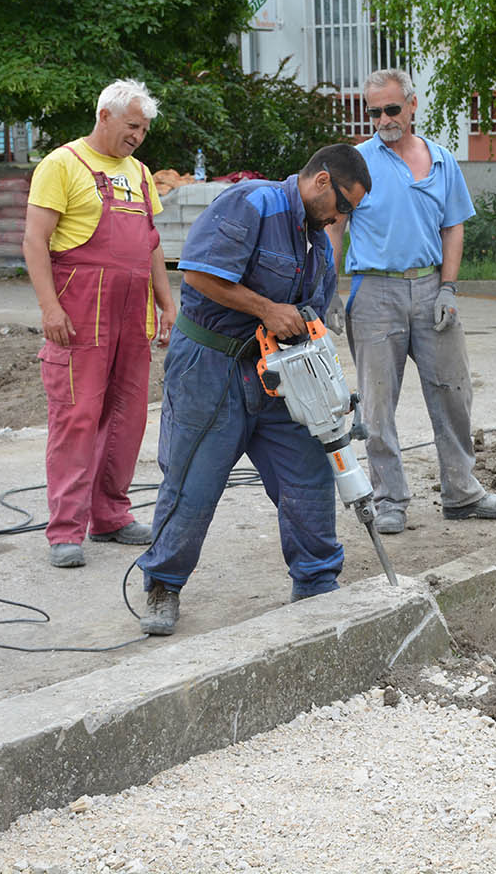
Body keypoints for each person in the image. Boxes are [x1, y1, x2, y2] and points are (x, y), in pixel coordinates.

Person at [134, 144, 371, 635]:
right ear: (322, 182)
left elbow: (311, 313)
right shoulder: (251, 203)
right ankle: (162, 584)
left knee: (307, 474)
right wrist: (267, 309)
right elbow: (197, 272)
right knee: (193, 481)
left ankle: (317, 581)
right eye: (344, 205)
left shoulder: (317, 241)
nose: (342, 217)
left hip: (278, 374)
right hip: (210, 367)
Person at [330, 68, 496, 536]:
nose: (384, 120)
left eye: (392, 109)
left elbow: (453, 225)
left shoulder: (441, 160)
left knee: (453, 390)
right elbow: (334, 226)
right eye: (375, 112)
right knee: (376, 404)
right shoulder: (358, 164)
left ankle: (461, 492)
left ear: (412, 105)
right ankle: (390, 499)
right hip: (374, 291)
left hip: (432, 287)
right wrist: (328, 289)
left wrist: (449, 288)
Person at [23, 79, 176, 569]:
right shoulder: (62, 164)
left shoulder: (140, 173)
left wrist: (166, 302)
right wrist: (50, 308)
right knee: (77, 416)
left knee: (127, 416)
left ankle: (110, 514)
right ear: (104, 116)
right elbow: (34, 241)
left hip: (132, 313)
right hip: (80, 308)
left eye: (145, 129)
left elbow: (149, 244)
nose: (139, 136)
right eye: (133, 126)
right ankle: (66, 530)